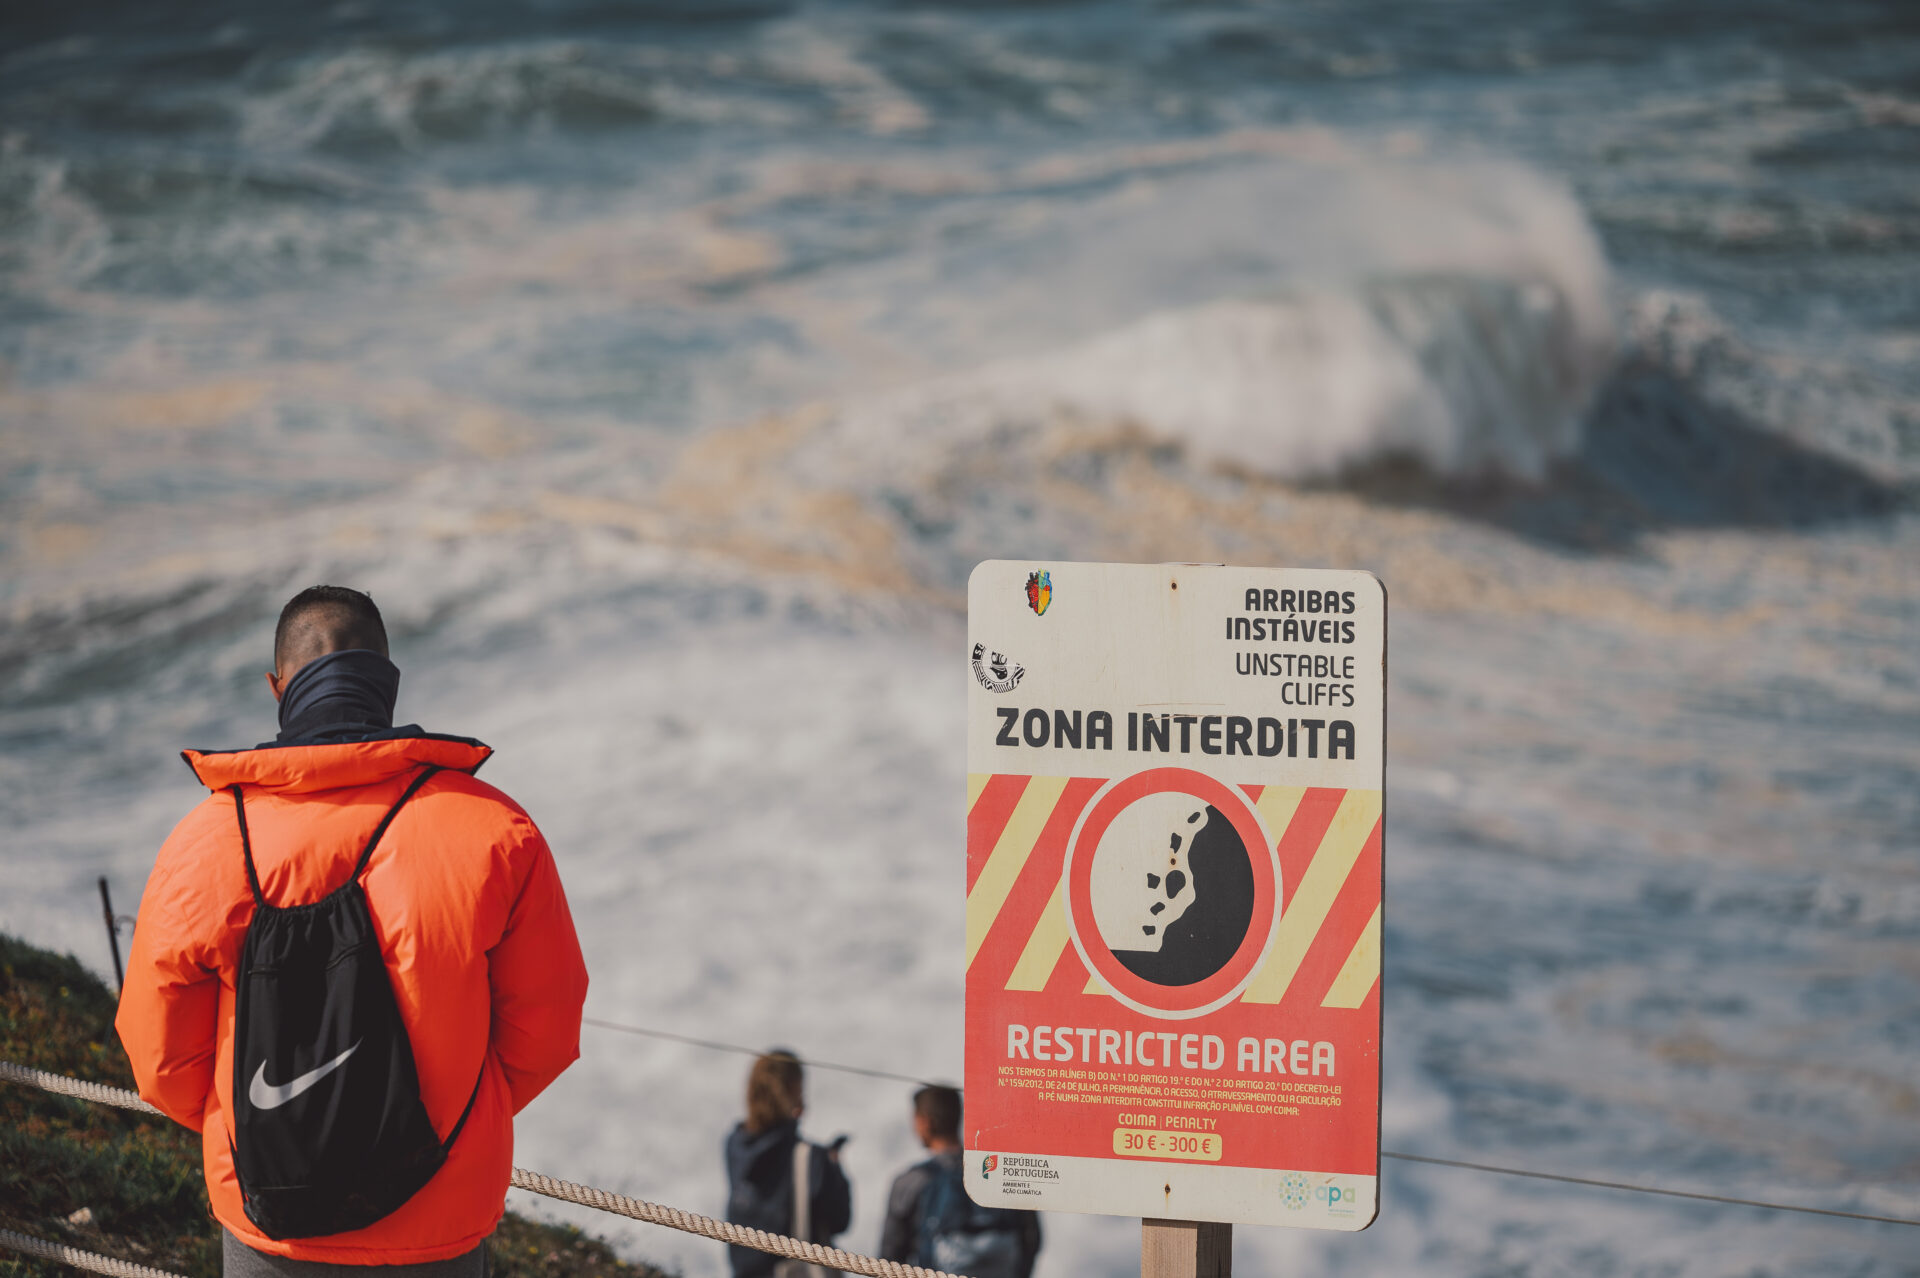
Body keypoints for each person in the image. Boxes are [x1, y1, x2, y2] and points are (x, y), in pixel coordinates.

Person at [116, 585, 589, 1275]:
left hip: (269, 1218)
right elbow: (545, 1034)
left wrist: (267, 1132)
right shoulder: (496, 832)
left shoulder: (204, 843)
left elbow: (159, 1059)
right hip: (439, 1218)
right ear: (386, 686)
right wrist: (447, 1123)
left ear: (278, 687)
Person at [879, 1087, 1039, 1278]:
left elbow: (889, 1259)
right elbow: (1031, 1238)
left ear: (925, 1122)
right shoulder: (1002, 1173)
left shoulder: (910, 1182)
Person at [723, 1051, 851, 1278]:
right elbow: (840, 1219)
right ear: (794, 1092)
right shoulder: (810, 1157)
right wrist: (834, 1169)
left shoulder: (735, 1145)